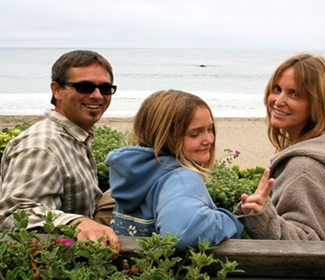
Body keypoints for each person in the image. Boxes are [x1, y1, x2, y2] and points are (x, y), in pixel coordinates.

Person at [233, 53, 325, 240]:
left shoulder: (305, 168)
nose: (278, 101)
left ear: (318, 103)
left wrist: (262, 217)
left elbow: (307, 244)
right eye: (277, 89)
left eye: (294, 94)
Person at [0, 50, 120, 251]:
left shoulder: (73, 138)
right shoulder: (42, 146)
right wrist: (74, 222)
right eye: (85, 87)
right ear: (57, 90)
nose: (97, 95)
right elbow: (13, 214)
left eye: (105, 88)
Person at [108, 89, 244, 250]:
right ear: (164, 136)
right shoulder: (181, 178)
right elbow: (182, 233)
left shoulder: (135, 173)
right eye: (194, 134)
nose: (208, 139)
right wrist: (232, 220)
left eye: (210, 129)